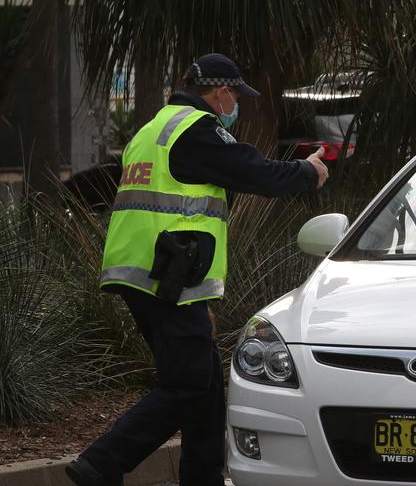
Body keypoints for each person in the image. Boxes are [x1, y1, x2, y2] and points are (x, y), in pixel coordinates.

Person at [67, 53, 329, 486]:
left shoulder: (153, 128)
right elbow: (255, 172)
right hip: (166, 276)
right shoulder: (197, 130)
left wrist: (200, 298)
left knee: (205, 389)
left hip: (152, 274)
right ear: (220, 91)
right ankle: (102, 463)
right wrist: (307, 170)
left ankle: (202, 478)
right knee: (186, 385)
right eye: (234, 96)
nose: (235, 105)